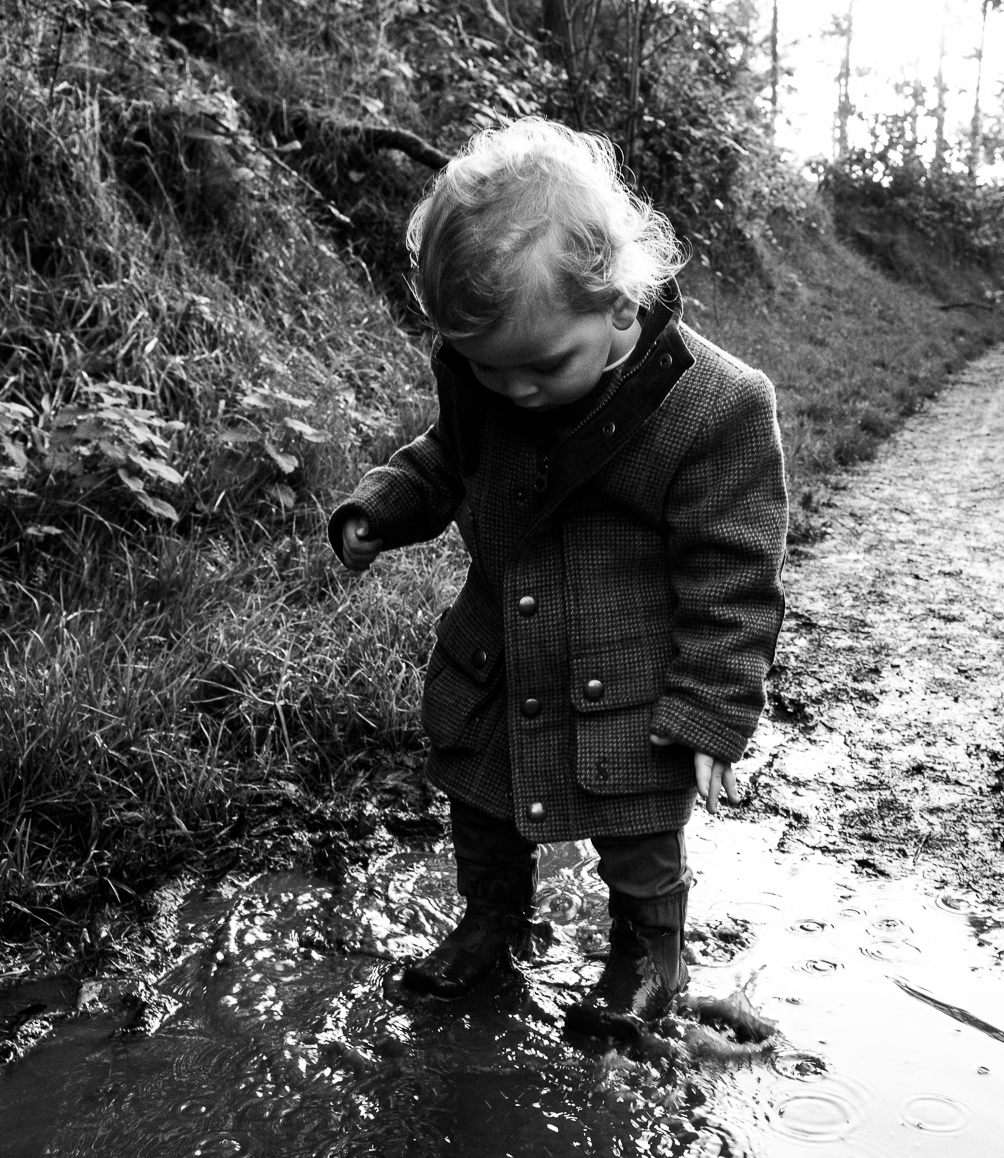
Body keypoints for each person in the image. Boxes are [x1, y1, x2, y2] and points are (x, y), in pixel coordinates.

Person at [330, 117, 787, 1037]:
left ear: (621, 303)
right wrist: (383, 504)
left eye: (542, 367)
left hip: (627, 680)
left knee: (638, 832)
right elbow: (447, 458)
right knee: (482, 802)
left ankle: (647, 956)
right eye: (490, 372)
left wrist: (712, 710)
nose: (517, 394)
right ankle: (494, 920)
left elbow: (732, 575)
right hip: (500, 660)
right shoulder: (488, 381)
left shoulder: (717, 407)